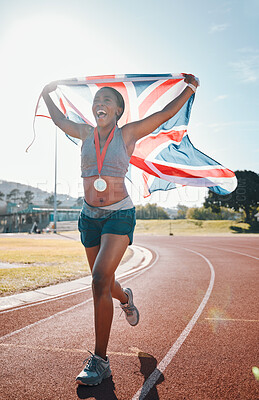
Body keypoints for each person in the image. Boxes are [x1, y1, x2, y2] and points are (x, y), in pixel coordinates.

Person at [42, 74, 198, 386]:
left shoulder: (126, 134)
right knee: (105, 283)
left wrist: (189, 89)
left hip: (118, 215)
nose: (99, 104)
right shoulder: (84, 132)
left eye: (107, 101)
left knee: (99, 280)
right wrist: (47, 93)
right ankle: (125, 297)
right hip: (89, 217)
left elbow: (162, 116)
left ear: (117, 111)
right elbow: (59, 120)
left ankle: (100, 361)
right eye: (97, 101)